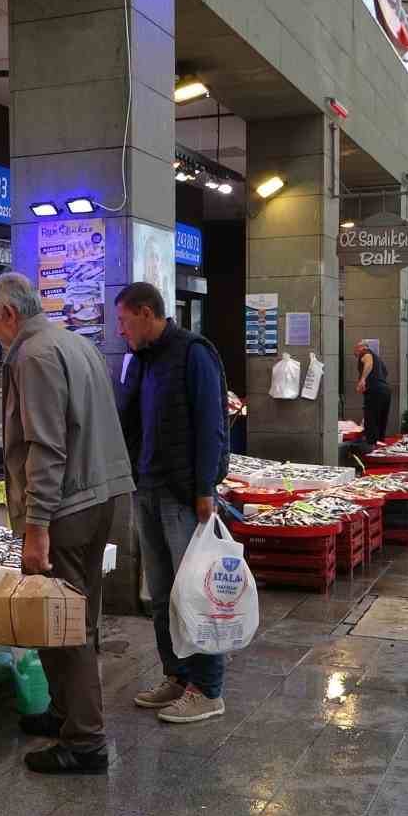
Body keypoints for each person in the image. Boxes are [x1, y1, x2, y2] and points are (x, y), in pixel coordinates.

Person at [0, 273, 134, 774]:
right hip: (101, 495)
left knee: (62, 623)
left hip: (66, 507)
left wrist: (36, 525)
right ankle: (66, 713)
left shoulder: (33, 356)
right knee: (79, 616)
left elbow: (45, 447)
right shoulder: (75, 342)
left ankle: (86, 740)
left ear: (9, 313)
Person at [114, 281, 231, 725]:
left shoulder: (193, 353)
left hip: (184, 495)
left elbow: (211, 424)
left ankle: (208, 689)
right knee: (161, 594)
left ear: (146, 313)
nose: (121, 330)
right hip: (148, 489)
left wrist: (204, 489)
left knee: (196, 595)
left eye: (124, 320)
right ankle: (177, 677)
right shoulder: (141, 361)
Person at [354, 341, 391, 448]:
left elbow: (368, 362)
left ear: (360, 348)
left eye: (355, 351)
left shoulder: (365, 353)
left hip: (374, 391)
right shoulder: (378, 359)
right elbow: (385, 372)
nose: (355, 354)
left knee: (371, 420)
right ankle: (379, 448)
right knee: (380, 422)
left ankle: (371, 449)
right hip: (385, 391)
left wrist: (363, 379)